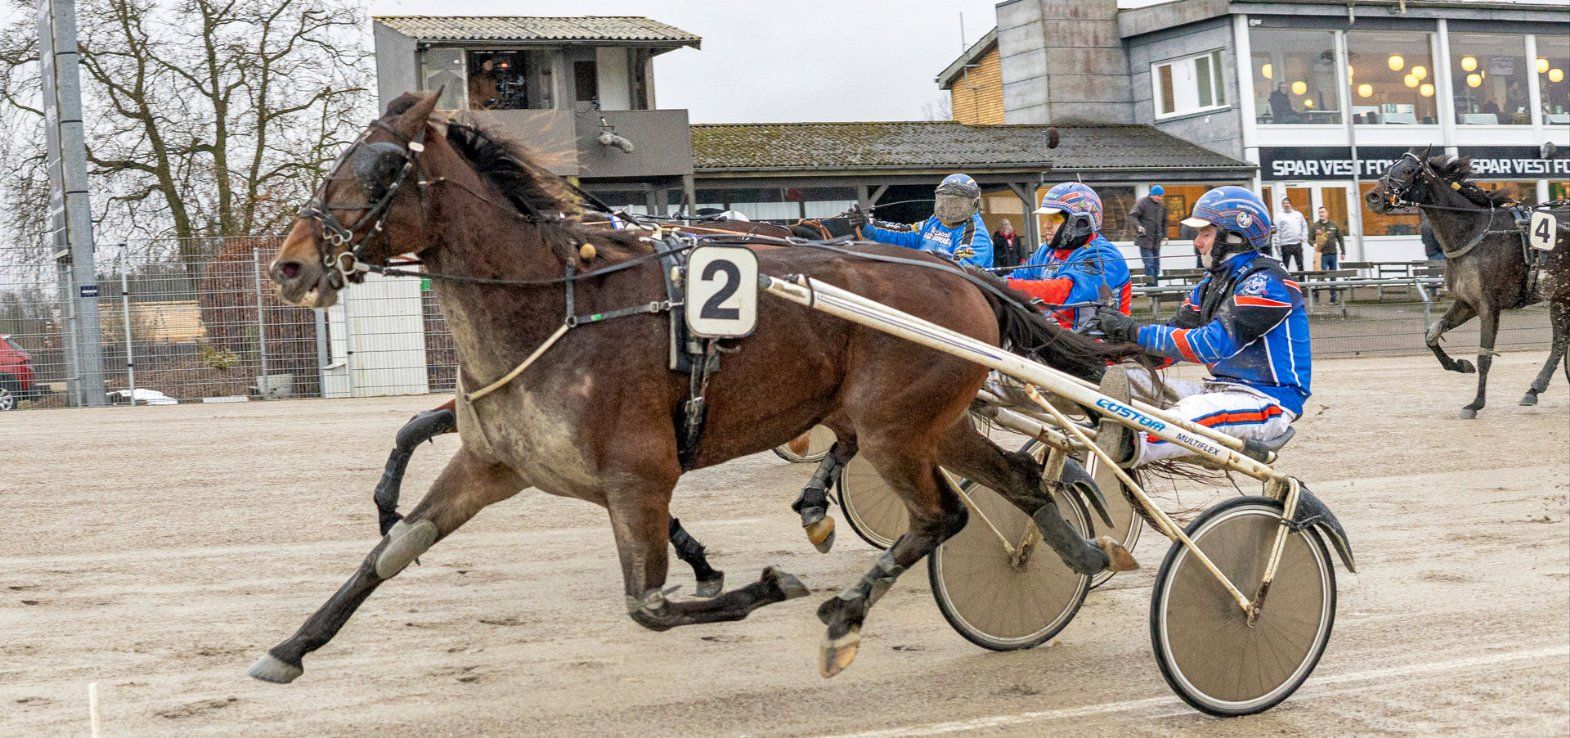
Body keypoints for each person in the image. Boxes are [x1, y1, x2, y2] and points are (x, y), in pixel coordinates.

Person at [1088, 186, 1311, 468]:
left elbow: (1210, 345)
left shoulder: (1268, 282)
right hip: (1218, 391)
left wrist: (1133, 331)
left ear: (1234, 237)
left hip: (1267, 403)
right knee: (1125, 376)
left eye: (1205, 234)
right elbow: (1164, 352)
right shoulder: (1210, 284)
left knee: (1193, 411)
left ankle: (1130, 445)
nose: (1197, 242)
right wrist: (1104, 350)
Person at [1005, 182, 1132, 330]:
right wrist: (993, 282)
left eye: (1055, 219)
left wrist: (1007, 286)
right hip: (1057, 340)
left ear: (1080, 223)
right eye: (1047, 219)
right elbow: (1019, 275)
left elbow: (1066, 291)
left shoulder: (1103, 255)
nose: (1046, 225)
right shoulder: (1047, 251)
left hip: (1099, 345)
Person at [849, 173, 994, 267]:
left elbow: (959, 268)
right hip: (927, 282)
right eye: (945, 201)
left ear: (973, 204)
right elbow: (903, 233)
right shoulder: (934, 222)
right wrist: (867, 224)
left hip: (962, 297)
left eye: (957, 203)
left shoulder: (975, 234)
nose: (949, 208)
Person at [1129, 185, 1168, 284]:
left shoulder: (1162, 206)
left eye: (1161, 196)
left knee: (1156, 265)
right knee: (1149, 264)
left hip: (1157, 240)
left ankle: (1155, 285)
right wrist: (1138, 226)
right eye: (1158, 196)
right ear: (1152, 194)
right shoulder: (1142, 203)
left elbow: (1165, 222)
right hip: (1145, 239)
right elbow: (1132, 216)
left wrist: (1165, 236)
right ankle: (1151, 287)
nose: (1159, 198)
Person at [1309, 206, 1346, 304]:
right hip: (1322, 255)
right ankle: (1316, 293)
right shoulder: (1315, 226)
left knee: (1333, 276)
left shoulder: (1333, 225)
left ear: (1327, 213)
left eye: (1323, 212)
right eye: (1320, 212)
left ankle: (1333, 298)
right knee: (1321, 275)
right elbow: (1309, 239)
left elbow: (1340, 238)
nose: (1321, 214)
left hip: (1333, 254)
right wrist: (1314, 243)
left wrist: (1343, 251)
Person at [1273, 197, 1308, 272]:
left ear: (1291, 204)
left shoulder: (1298, 214)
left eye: (1287, 203)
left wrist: (1304, 237)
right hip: (1285, 245)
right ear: (1282, 205)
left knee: (1300, 264)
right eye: (1284, 203)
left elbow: (1304, 225)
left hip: (1297, 244)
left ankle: (1302, 282)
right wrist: (1277, 245)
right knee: (1285, 266)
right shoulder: (1279, 216)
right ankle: (1286, 282)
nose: (1286, 205)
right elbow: (1276, 231)